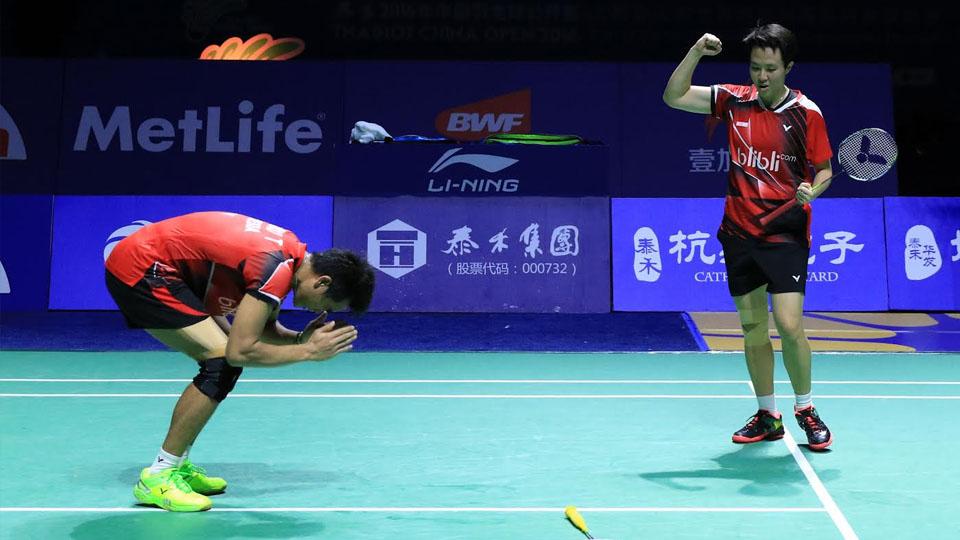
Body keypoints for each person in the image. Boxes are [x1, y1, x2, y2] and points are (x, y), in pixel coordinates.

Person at [104, 211, 376, 511]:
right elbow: (240, 350)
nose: (319, 310)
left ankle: (176, 464)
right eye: (328, 304)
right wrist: (309, 352)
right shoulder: (276, 267)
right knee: (221, 363)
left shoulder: (289, 258)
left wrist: (301, 339)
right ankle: (158, 476)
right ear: (322, 283)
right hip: (144, 266)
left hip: (171, 269)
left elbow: (260, 330)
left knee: (224, 364)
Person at [663, 23, 833, 451]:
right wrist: (697, 51)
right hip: (739, 231)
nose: (761, 76)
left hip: (785, 230)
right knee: (754, 327)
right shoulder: (733, 100)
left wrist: (813, 189)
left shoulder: (806, 112)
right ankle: (767, 414)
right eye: (756, 67)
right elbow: (675, 96)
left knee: (790, 325)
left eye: (770, 68)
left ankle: (806, 409)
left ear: (788, 67)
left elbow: (825, 169)